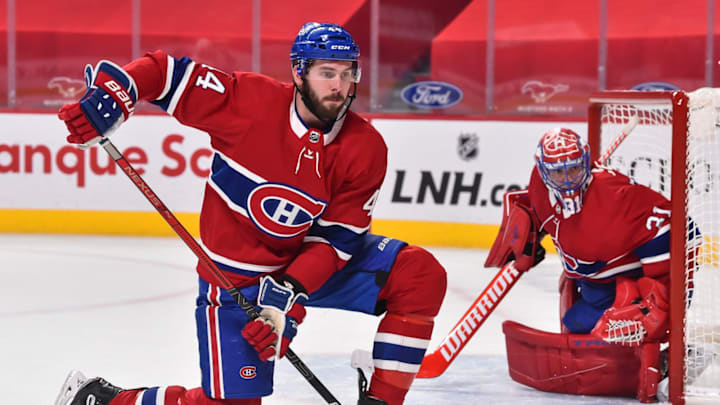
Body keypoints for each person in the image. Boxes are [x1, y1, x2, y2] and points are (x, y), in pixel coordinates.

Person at [54, 22, 446, 405]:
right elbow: (163, 73)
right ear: (298, 71)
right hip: (235, 280)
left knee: (419, 275)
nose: (339, 87)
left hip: (307, 268)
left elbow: (338, 239)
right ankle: (107, 400)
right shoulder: (247, 101)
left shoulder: (366, 147)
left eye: (347, 74)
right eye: (327, 73)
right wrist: (117, 93)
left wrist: (286, 297)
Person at [485, 127, 674, 402]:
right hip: (594, 277)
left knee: (623, 331)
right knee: (576, 324)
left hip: (624, 274)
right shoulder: (538, 181)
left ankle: (670, 352)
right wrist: (529, 230)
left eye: (574, 169)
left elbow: (670, 223)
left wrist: (659, 294)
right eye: (558, 173)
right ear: (542, 170)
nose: (568, 180)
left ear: (585, 162)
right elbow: (536, 203)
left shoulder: (616, 197)